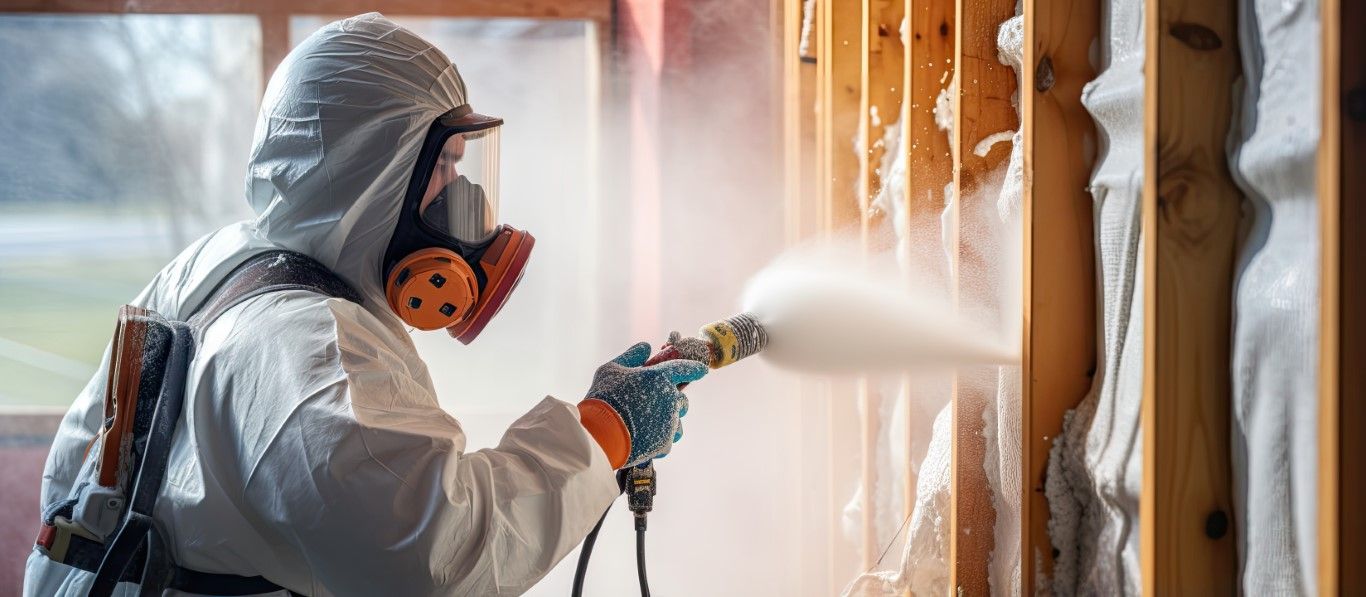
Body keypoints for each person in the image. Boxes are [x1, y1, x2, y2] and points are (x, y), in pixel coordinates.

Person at [25, 13, 704, 596]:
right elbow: (435, 555)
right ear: (374, 170)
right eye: (444, 164)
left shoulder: (218, 263)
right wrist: (601, 432)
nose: (462, 197)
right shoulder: (310, 344)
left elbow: (74, 467)